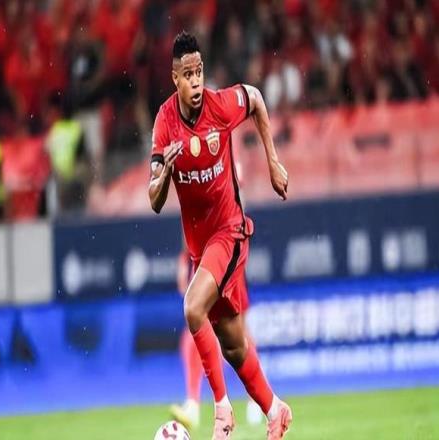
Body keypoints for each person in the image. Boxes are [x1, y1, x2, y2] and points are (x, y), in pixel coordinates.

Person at [149, 31, 291, 439]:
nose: (196, 82)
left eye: (199, 72)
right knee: (233, 344)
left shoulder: (221, 105)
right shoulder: (164, 123)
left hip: (229, 232)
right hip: (200, 248)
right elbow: (154, 199)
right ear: (175, 78)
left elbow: (256, 99)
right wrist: (166, 173)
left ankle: (221, 410)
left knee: (192, 308)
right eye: (188, 75)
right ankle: (275, 409)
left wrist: (273, 162)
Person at [170, 244, 264, 430]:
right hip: (204, 258)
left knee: (240, 333)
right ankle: (193, 403)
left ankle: (257, 399)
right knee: (192, 332)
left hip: (225, 256)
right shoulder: (188, 250)